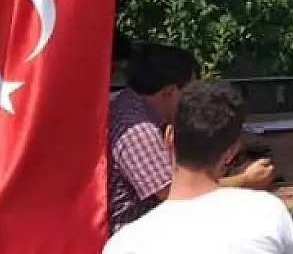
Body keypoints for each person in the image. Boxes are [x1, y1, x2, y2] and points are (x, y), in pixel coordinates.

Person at [103, 81, 293, 254]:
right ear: (231, 151)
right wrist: (246, 179)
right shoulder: (270, 212)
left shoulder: (123, 245)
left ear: (169, 137)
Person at [108, 43, 275, 233]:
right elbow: (173, 193)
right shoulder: (138, 130)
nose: (193, 100)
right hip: (139, 234)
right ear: (169, 92)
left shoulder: (131, 106)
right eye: (189, 92)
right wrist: (246, 180)